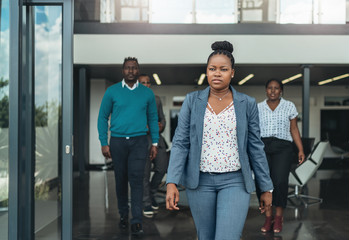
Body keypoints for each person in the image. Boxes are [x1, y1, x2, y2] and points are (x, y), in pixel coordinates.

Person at [165, 41, 274, 240]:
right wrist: (171, 181)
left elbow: (255, 146)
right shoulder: (192, 101)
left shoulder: (246, 103)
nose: (217, 73)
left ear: (232, 73)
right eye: (212, 69)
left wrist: (266, 187)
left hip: (235, 181)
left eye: (223, 69)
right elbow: (180, 142)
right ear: (206, 71)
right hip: (200, 182)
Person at [97, 57, 159, 237]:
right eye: (127, 68)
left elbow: (153, 119)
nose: (131, 71)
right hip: (117, 142)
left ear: (138, 70)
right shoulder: (112, 91)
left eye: (134, 68)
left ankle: (137, 220)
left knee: (137, 181)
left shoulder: (147, 94)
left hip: (139, 142)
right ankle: (123, 214)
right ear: (123, 71)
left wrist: (154, 143)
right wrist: (104, 142)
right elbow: (102, 117)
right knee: (120, 180)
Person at [257, 78, 306, 233]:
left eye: (276, 88)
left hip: (283, 147)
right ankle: (268, 217)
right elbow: (254, 131)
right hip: (263, 146)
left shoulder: (289, 106)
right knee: (264, 182)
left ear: (281, 91)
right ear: (266, 90)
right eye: (270, 88)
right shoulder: (258, 107)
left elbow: (294, 129)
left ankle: (278, 217)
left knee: (279, 181)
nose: (273, 91)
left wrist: (300, 149)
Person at [138, 73, 169, 217]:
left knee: (162, 168)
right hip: (141, 142)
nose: (146, 85)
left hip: (158, 140)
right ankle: (146, 203)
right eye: (142, 83)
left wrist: (161, 126)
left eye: (147, 83)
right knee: (144, 174)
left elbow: (162, 118)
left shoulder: (156, 100)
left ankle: (151, 193)